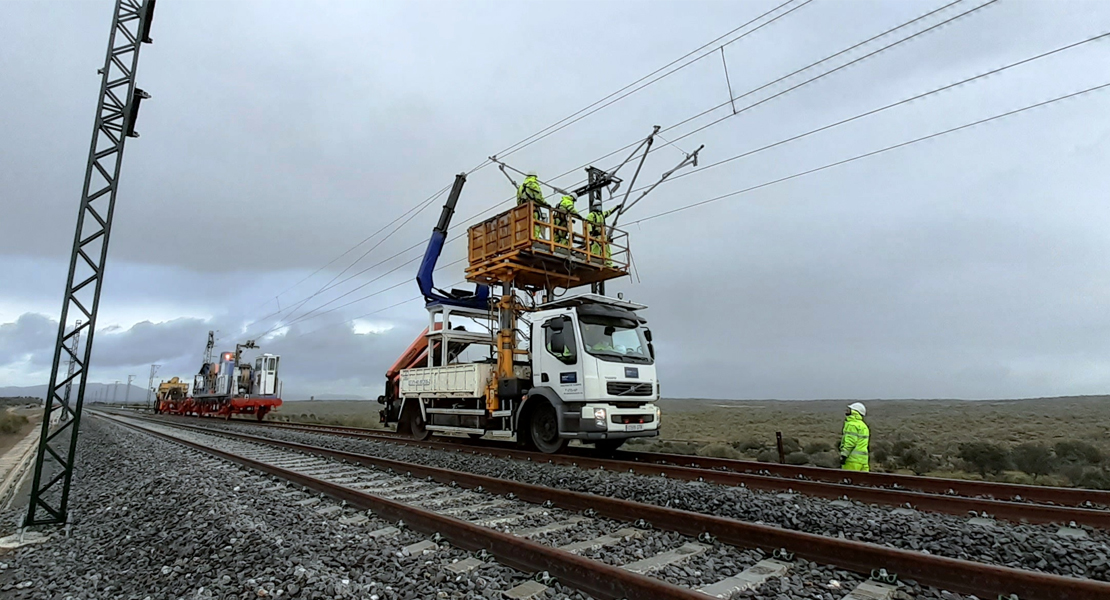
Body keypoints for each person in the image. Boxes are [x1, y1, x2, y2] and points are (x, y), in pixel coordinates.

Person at [516, 172, 549, 240]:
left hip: (523, 210)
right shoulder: (533, 184)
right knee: (535, 224)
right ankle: (535, 238)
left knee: (525, 225)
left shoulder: (521, 187)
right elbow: (538, 198)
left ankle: (525, 238)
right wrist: (546, 204)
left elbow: (518, 201)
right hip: (532, 209)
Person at [839, 402, 870, 472]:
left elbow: (850, 442)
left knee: (849, 480)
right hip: (863, 461)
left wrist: (844, 456)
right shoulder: (863, 426)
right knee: (863, 481)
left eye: (850, 409)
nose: (847, 411)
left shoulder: (852, 425)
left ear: (855, 411)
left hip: (852, 461)